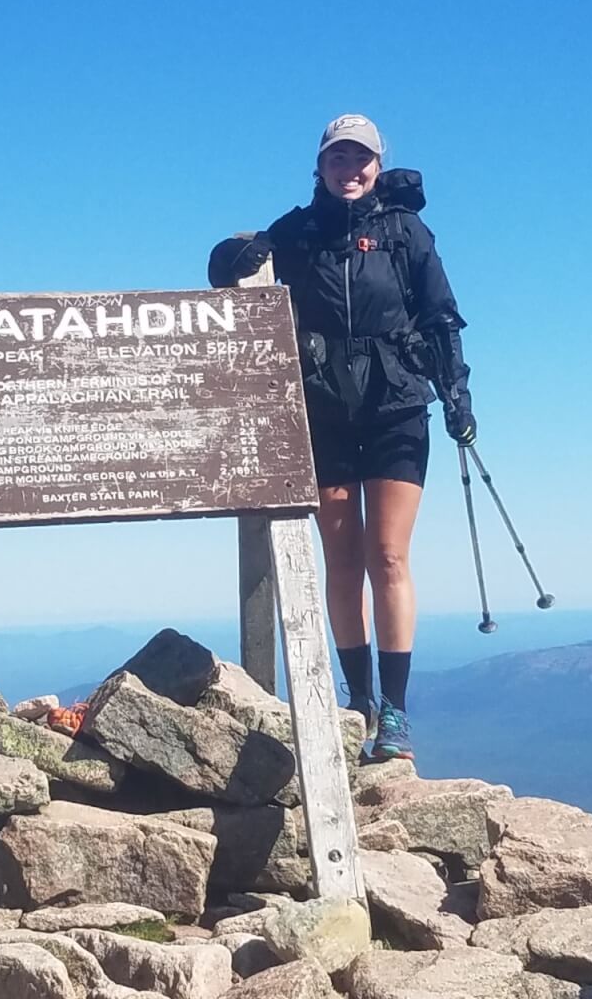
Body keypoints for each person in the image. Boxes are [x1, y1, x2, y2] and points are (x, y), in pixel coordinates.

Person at [209, 114, 474, 762]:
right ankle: (358, 698)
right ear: (320, 166)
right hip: (322, 411)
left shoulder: (405, 233)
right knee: (343, 557)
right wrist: (237, 253)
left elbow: (440, 317)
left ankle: (396, 714)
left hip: (396, 405)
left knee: (386, 555)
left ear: (378, 166)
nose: (350, 169)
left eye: (362, 158)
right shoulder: (295, 234)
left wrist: (457, 397)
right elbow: (227, 275)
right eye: (338, 157)